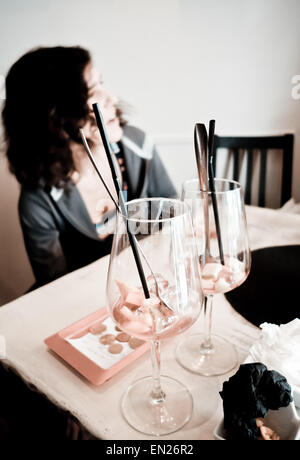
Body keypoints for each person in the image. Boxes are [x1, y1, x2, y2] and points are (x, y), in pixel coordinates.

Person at [2, 46, 177, 288]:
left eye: (102, 83)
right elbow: (56, 288)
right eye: (93, 90)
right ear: (54, 117)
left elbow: (174, 222)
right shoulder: (39, 202)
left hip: (158, 287)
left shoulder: (139, 147)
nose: (112, 99)